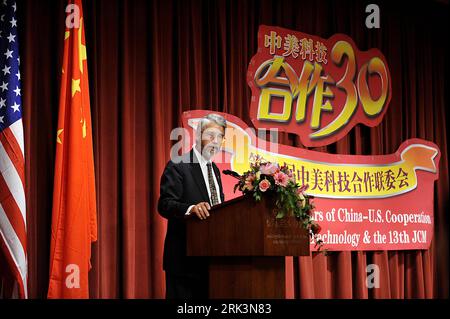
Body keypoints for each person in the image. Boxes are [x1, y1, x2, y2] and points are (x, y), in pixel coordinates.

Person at [158, 113, 226, 299]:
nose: (216, 141)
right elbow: (165, 204)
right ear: (198, 136)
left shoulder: (216, 170)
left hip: (211, 262)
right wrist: (191, 209)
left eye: (220, 137)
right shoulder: (179, 164)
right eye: (211, 135)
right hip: (184, 262)